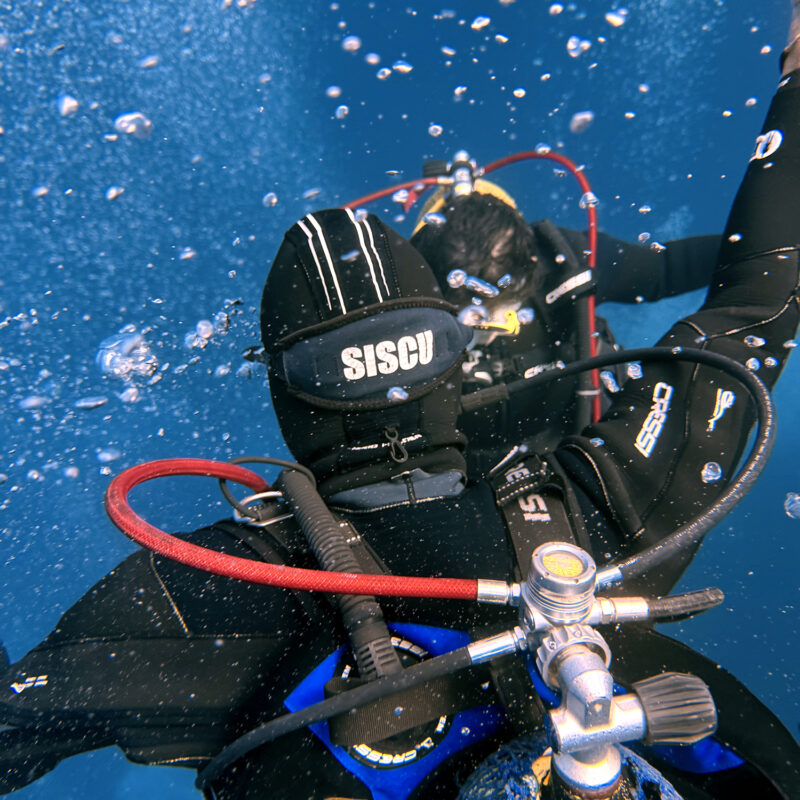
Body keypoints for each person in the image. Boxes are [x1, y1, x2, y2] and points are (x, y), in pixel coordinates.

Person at [3, 13, 800, 800]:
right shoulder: (608, 506)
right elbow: (757, 299)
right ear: (446, 354)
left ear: (286, 390)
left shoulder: (192, 593)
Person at [407, 176, 722, 475]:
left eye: (494, 320)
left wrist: (748, 253)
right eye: (462, 321)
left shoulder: (563, 261)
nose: (479, 335)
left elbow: (665, 269)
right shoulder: (402, 295)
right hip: (457, 469)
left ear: (529, 270)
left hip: (570, 445)